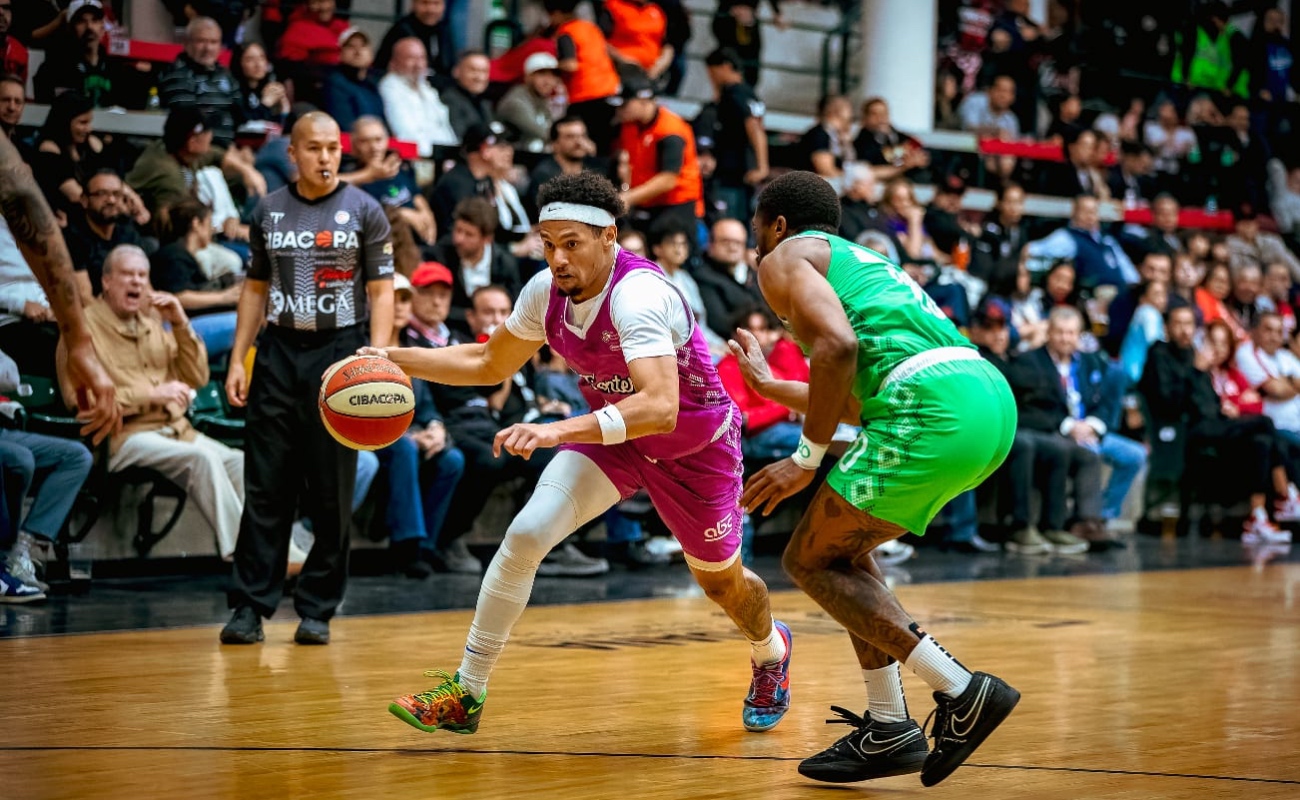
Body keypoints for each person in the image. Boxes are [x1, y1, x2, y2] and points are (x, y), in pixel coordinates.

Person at [379, 171, 791, 737]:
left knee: (724, 585)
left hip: (694, 449)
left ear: (609, 236)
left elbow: (661, 407)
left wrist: (555, 430)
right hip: (614, 440)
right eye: (548, 244)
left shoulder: (638, 295)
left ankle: (770, 651)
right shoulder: (543, 292)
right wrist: (389, 358)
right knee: (526, 535)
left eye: (571, 243)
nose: (558, 258)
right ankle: (466, 693)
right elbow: (486, 363)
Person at [733, 170, 1019, 787]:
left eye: (759, 232)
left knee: (807, 562)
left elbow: (835, 351)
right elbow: (861, 397)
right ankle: (889, 725)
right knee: (843, 552)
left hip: (931, 406)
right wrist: (769, 388)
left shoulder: (783, 257)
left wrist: (803, 461)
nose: (759, 247)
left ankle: (963, 689)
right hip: (982, 399)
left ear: (777, 225)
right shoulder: (860, 262)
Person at [221, 112, 395, 647]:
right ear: (292, 153)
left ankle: (317, 606)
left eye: (332, 148)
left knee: (331, 490)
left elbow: (382, 290)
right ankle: (250, 606)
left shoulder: (365, 210)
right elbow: (254, 287)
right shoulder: (268, 209)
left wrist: (379, 358)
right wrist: (237, 357)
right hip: (276, 353)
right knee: (265, 487)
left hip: (339, 353)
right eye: (314, 148)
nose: (325, 157)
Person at [58, 245, 245, 560]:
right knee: (203, 459)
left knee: (240, 463)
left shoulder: (152, 324)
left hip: (175, 430)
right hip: (122, 437)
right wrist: (150, 396)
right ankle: (250, 557)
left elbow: (197, 376)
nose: (136, 282)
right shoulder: (82, 330)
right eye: (128, 274)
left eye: (142, 276)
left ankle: (283, 553)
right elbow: (83, 402)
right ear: (106, 282)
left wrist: (182, 324)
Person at [0, 126, 119, 445]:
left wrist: (61, 313)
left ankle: (86, 430)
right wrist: (18, 304)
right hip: (11, 318)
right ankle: (79, 426)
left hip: (44, 312)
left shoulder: (26, 218)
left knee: (84, 331)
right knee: (69, 339)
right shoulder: (21, 203)